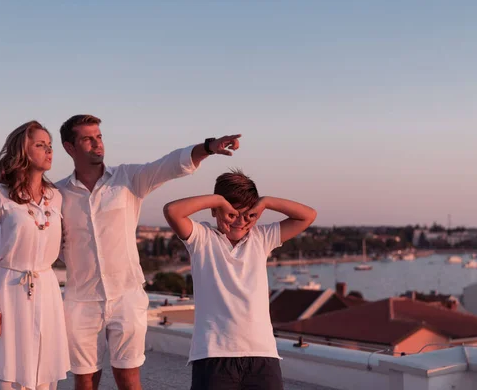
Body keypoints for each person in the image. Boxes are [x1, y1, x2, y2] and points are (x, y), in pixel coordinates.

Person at [56, 114, 241, 390]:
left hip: (126, 296)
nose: (97, 144)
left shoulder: (128, 178)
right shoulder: (57, 193)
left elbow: (170, 164)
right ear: (70, 148)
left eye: (99, 137)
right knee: (84, 380)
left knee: (129, 379)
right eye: (87, 139)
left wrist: (209, 147)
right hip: (80, 300)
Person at [163, 169, 317, 390]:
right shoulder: (201, 238)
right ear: (216, 211)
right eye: (232, 214)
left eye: (247, 215)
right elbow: (172, 211)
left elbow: (308, 215)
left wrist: (266, 202)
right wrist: (216, 199)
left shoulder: (262, 238)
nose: (240, 221)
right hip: (213, 355)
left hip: (262, 355)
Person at [0, 121, 70, 390]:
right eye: (40, 145)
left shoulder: (56, 197)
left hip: (47, 288)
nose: (48, 150)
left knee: (44, 369)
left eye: (50, 146)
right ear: (22, 151)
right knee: (7, 370)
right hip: (8, 289)